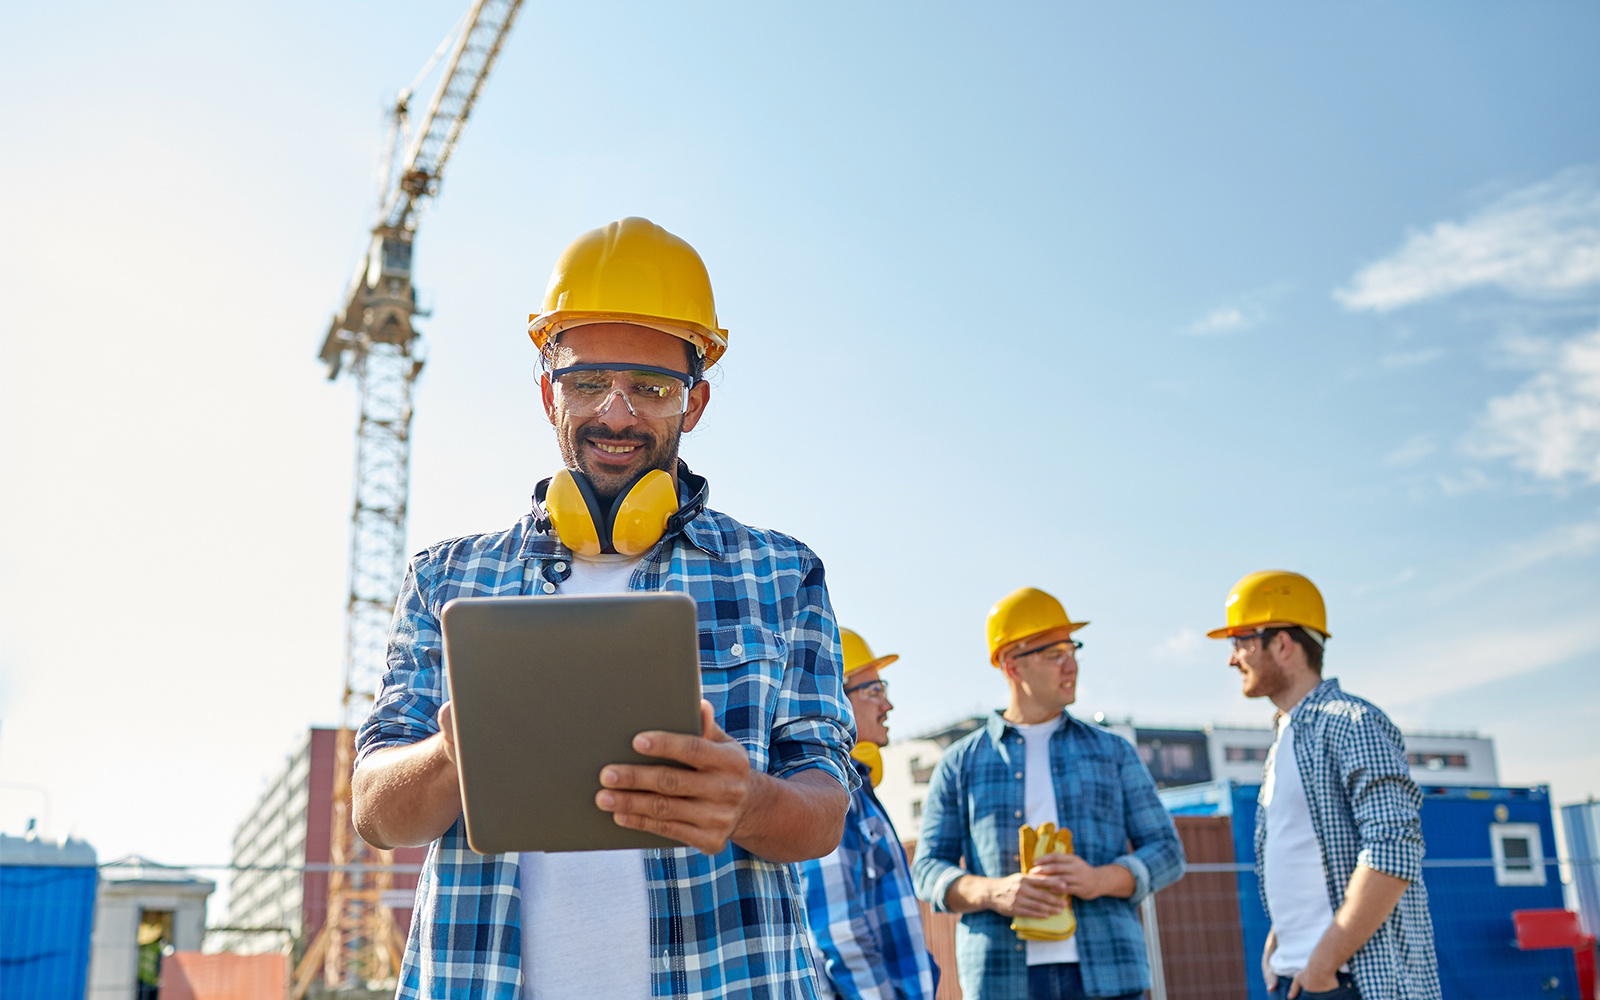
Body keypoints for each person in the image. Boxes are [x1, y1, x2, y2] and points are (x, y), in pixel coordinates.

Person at [349, 217, 857, 1000]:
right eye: (590, 382)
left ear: (696, 401)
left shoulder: (782, 574)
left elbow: (825, 808)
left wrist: (750, 802)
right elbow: (377, 814)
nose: (617, 416)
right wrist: (455, 755)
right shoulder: (446, 578)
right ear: (550, 390)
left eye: (652, 389)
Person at [912, 587, 1184, 1000]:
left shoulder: (1113, 752)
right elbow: (928, 869)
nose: (1070, 663)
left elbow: (1167, 851)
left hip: (1110, 974)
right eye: (1054, 652)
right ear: (1011, 665)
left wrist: (1100, 879)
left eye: (1072, 649)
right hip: (1002, 980)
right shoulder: (960, 762)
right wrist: (992, 892)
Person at [1209, 570, 1438, 1000]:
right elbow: (1307, 854)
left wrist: (1323, 964)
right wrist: (1282, 938)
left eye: (1241, 641)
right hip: (1298, 978)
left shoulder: (1355, 724)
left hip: (1349, 982)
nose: (1232, 657)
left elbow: (1393, 848)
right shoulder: (1286, 736)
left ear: (1282, 643)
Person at [796, 629, 939, 1000]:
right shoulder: (830, 792)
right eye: (874, 691)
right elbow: (839, 930)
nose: (887, 705)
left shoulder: (861, 793)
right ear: (835, 695)